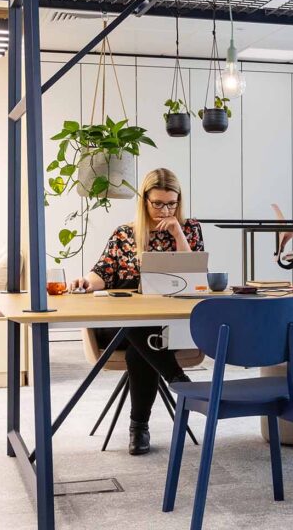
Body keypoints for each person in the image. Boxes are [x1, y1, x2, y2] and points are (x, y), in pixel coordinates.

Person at [69, 168, 203, 455]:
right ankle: (178, 381)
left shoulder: (189, 228)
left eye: (172, 203)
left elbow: (195, 275)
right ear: (144, 200)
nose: (165, 210)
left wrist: (178, 232)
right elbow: (102, 272)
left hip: (166, 327)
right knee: (136, 324)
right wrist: (86, 282)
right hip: (122, 325)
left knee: (139, 349)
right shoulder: (124, 234)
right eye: (158, 203)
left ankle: (138, 428)